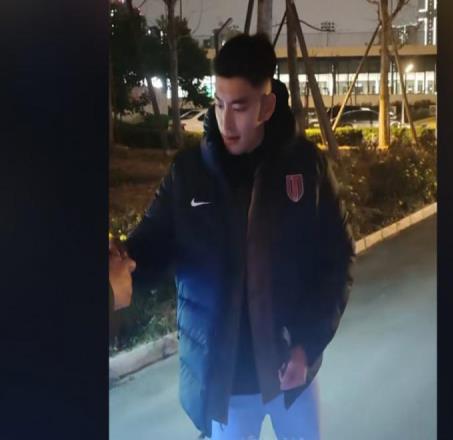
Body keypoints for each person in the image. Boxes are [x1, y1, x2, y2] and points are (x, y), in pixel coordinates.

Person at [109, 33, 355, 439]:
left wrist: (306, 345)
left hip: (292, 376)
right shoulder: (189, 174)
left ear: (266, 106)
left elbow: (336, 259)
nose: (226, 121)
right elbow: (149, 249)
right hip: (225, 386)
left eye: (239, 107)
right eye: (219, 104)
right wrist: (121, 265)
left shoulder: (306, 167)